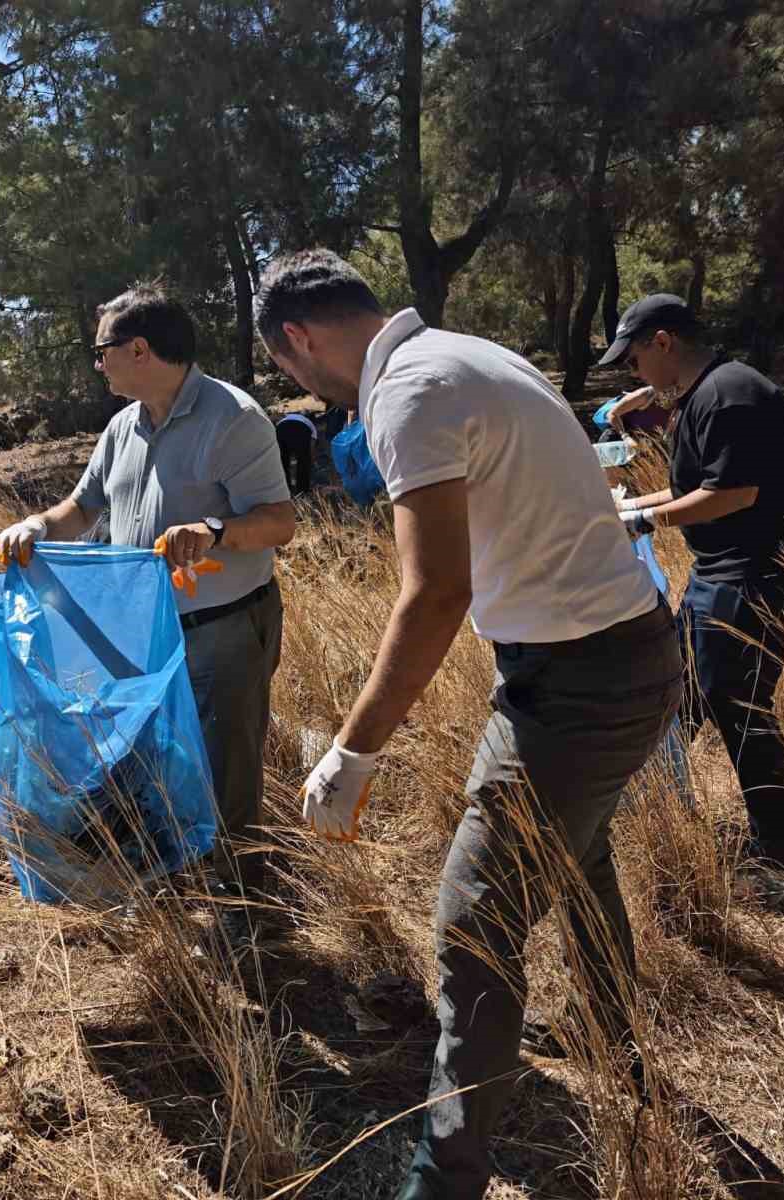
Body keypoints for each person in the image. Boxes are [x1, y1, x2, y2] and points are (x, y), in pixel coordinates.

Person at [254, 250, 682, 1200]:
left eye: (286, 367)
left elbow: (435, 591)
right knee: (581, 860)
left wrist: (353, 750)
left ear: (297, 339)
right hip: (605, 656)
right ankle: (619, 1053)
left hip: (582, 681)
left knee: (474, 930)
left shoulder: (407, 394)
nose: (303, 388)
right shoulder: (467, 353)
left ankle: (441, 1182)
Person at [0, 284, 297, 935]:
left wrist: (213, 531)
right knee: (149, 762)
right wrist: (36, 527)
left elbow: (279, 521)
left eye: (101, 350)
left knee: (225, 769)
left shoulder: (234, 418)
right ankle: (167, 887)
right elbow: (82, 508)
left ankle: (244, 912)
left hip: (221, 628)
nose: (96, 363)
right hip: (139, 637)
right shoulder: (122, 426)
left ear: (138, 350)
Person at [603, 293, 784, 874]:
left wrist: (642, 522)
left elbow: (733, 494)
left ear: (663, 342)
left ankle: (782, 849)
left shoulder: (730, 394)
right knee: (681, 686)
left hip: (763, 570)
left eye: (634, 360)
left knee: (734, 696)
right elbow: (689, 489)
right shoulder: (703, 395)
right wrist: (622, 512)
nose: (634, 374)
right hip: (723, 568)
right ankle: (664, 817)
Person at [275, 411, 318, 496]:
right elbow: (312, 446)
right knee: (303, 462)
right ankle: (302, 492)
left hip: (281, 427)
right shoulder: (311, 425)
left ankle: (284, 491)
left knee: (282, 462)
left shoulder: (286, 418)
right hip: (301, 428)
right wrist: (312, 460)